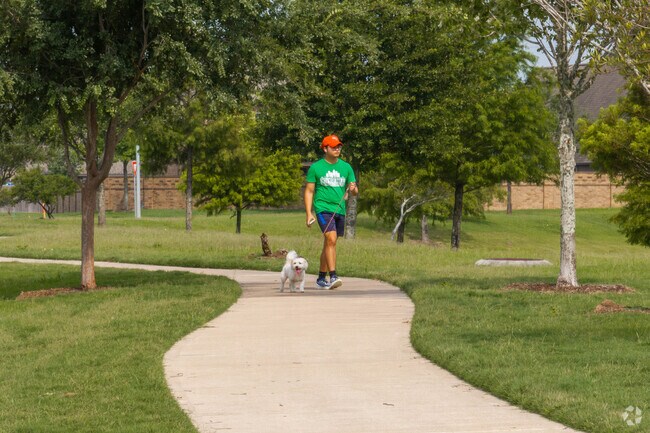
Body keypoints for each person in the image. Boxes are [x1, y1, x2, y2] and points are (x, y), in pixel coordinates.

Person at [304, 134, 358, 289]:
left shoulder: (346, 167)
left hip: (339, 209)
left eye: (339, 146)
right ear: (325, 148)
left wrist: (353, 189)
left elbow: (354, 190)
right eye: (334, 147)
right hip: (323, 208)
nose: (337, 149)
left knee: (329, 243)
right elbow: (309, 191)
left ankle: (321, 278)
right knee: (331, 239)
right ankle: (333, 276)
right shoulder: (316, 168)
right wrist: (309, 213)